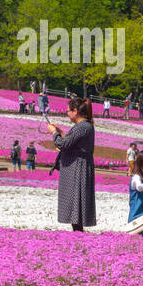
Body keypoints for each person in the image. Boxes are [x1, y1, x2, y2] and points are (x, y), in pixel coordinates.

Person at [48, 98, 97, 232]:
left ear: (75, 111)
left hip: (77, 167)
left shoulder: (82, 127)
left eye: (68, 111)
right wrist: (60, 131)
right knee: (76, 202)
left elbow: (63, 144)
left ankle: (78, 233)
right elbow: (71, 141)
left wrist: (54, 133)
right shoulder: (85, 126)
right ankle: (77, 232)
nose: (67, 113)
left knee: (76, 201)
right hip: (78, 166)